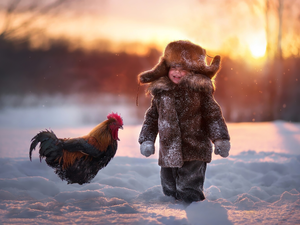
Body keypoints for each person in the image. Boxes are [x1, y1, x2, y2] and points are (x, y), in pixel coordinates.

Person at [137, 40, 230, 204]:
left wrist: (220, 139)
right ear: (166, 69)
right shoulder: (161, 93)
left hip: (194, 149)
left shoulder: (200, 92)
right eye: (174, 67)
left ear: (194, 71)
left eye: (183, 69)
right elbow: (152, 118)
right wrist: (146, 140)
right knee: (169, 190)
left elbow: (213, 116)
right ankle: (171, 216)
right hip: (168, 151)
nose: (177, 72)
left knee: (188, 190)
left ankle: (194, 214)